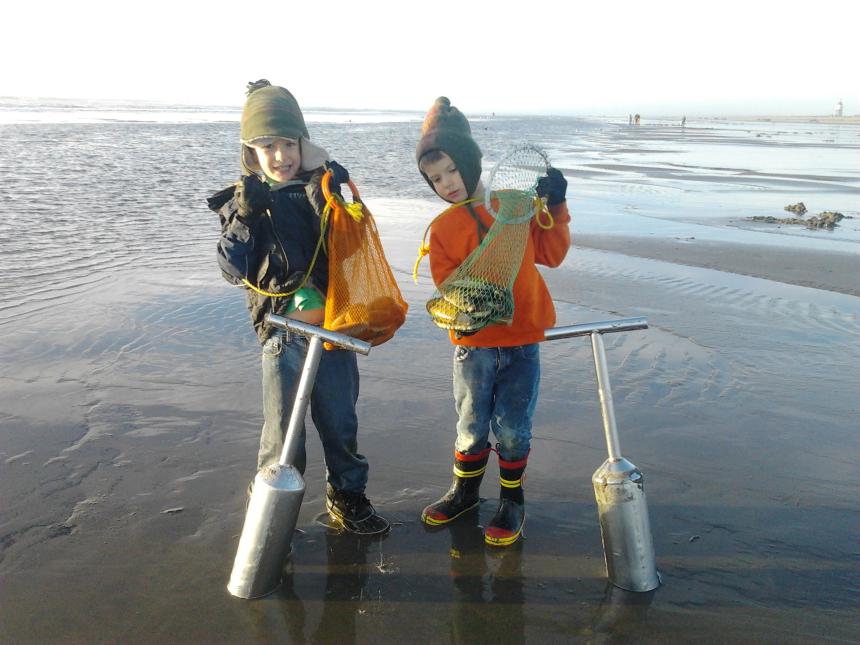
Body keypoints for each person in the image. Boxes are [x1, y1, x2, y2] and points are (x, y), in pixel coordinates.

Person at [208, 80, 389, 535]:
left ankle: (348, 497)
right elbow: (231, 270)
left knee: (341, 425)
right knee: (283, 437)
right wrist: (247, 217)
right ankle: (271, 515)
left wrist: (342, 199)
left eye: (288, 144)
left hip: (334, 333)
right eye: (266, 146)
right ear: (250, 151)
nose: (279, 155)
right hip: (283, 335)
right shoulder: (243, 201)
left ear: (302, 145)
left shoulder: (321, 191)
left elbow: (352, 252)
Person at [415, 97, 571, 546]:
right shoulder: (442, 230)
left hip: (522, 340)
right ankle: (464, 493)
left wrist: (556, 205)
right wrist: (469, 308)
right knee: (470, 424)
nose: (446, 184)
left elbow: (552, 255)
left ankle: (511, 499)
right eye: (435, 178)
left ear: (470, 162)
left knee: (513, 427)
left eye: (451, 170)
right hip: (473, 345)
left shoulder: (514, 205)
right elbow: (448, 285)